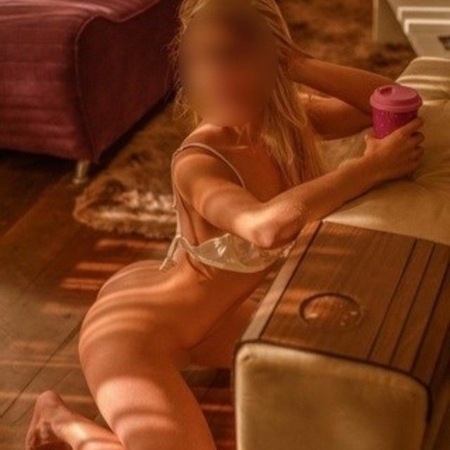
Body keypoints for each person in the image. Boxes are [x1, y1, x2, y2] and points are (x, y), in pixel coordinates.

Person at [25, 0, 424, 449]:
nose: (216, 76)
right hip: (136, 333)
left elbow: (392, 103)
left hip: (211, 316)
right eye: (202, 60)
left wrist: (300, 63)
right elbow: (264, 227)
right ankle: (58, 420)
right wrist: (368, 169)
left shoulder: (286, 120)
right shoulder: (198, 162)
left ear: (272, 58)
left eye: (233, 57)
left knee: (339, 360)